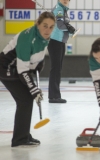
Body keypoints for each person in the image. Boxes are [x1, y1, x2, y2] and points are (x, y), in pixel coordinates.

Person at [0, 12, 55, 147]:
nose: (48, 30)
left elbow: (37, 55)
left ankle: (24, 135)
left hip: (19, 68)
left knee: (27, 99)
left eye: (51, 27)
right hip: (6, 68)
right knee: (25, 99)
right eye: (45, 26)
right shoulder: (27, 38)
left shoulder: (43, 36)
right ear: (38, 24)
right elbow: (22, 69)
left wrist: (38, 66)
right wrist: (34, 89)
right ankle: (19, 139)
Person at [48, 0, 75, 103]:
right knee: (55, 68)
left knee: (58, 68)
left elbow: (63, 24)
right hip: (55, 41)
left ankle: (55, 95)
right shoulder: (59, 9)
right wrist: (70, 28)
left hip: (60, 41)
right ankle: (53, 97)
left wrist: (70, 28)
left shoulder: (63, 10)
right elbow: (60, 25)